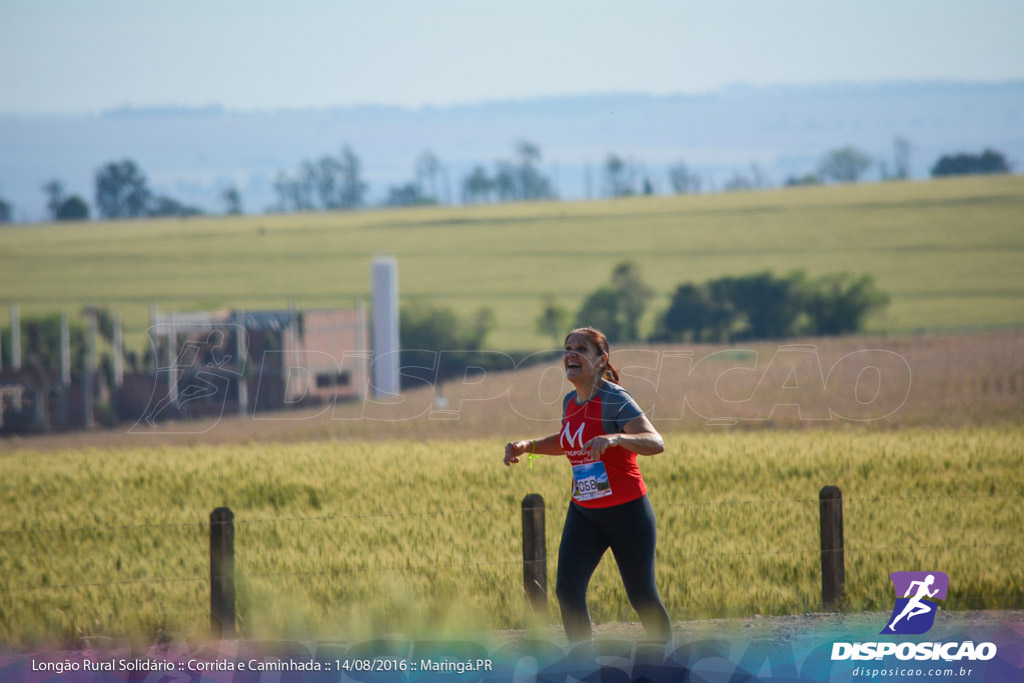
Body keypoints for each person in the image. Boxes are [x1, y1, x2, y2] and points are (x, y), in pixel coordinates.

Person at [504, 327, 672, 644]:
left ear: (600, 360)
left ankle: (670, 662)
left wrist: (616, 437)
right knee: (567, 591)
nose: (571, 354)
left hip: (627, 512)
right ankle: (585, 668)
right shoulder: (570, 401)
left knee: (641, 597)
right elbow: (569, 441)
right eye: (568, 347)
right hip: (585, 512)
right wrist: (528, 446)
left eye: (582, 348)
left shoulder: (615, 399)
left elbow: (656, 442)